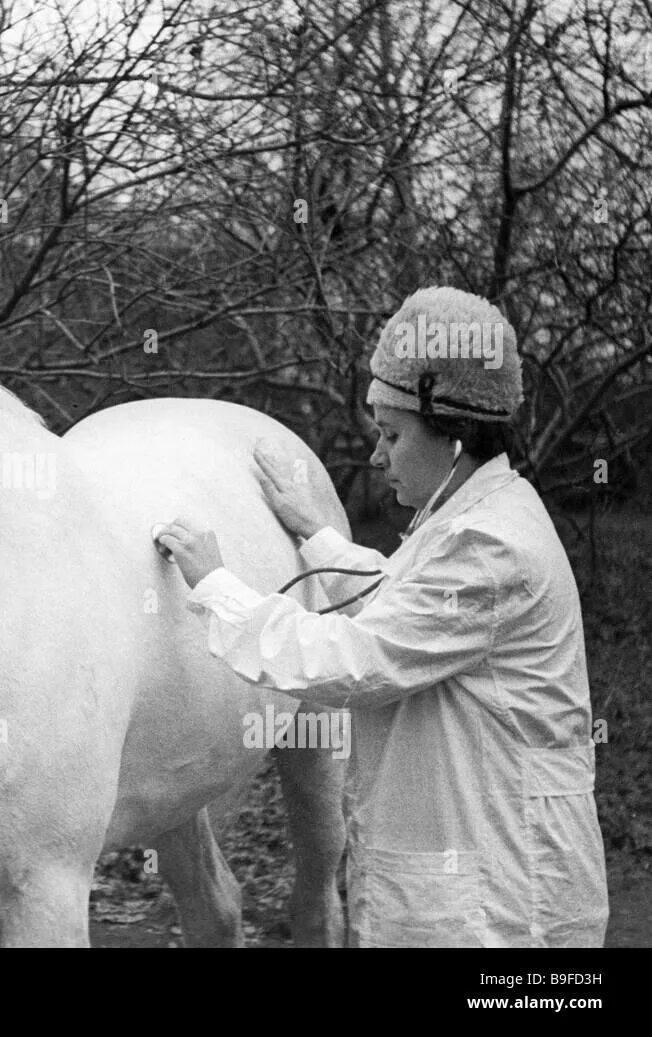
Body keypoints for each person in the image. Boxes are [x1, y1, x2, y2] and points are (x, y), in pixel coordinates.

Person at [156, 286, 608, 948]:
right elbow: (401, 601)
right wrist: (314, 532)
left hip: (502, 913)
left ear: (455, 438)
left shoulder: (490, 546)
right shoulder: (478, 519)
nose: (375, 455)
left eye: (392, 434)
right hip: (487, 888)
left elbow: (354, 660)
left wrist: (216, 583)